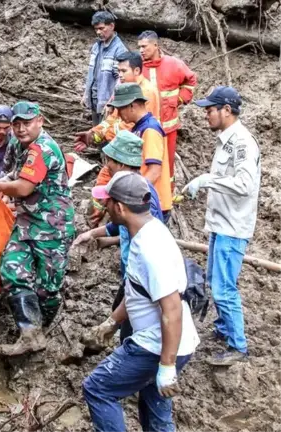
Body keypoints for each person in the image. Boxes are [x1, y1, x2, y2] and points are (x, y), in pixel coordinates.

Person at [82, 171, 200, 431]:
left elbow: (172, 310)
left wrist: (167, 366)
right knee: (154, 410)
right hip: (170, 343)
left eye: (108, 202)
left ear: (120, 207)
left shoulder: (150, 249)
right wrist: (110, 323)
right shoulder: (147, 232)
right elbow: (138, 291)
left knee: (97, 388)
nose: (105, 207)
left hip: (156, 345)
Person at [0, 101, 75, 356]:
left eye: (26, 123)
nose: (21, 129)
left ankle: (43, 330)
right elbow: (14, 174)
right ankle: (30, 333)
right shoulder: (17, 143)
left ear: (40, 121)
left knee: (48, 287)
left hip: (52, 225)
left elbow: (24, 188)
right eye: (17, 124)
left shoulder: (43, 148)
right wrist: (0, 182)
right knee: (12, 269)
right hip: (26, 221)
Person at [183, 86, 260, 366]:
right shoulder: (226, 140)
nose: (207, 114)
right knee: (216, 281)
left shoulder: (242, 143)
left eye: (210, 109)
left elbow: (244, 184)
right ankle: (224, 328)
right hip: (221, 223)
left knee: (224, 288)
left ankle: (237, 345)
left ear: (227, 111)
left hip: (233, 227)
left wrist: (206, 180)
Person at [73, 131, 164, 341]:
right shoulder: (127, 189)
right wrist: (92, 234)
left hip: (140, 274)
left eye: (110, 161)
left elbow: (149, 234)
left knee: (131, 327)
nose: (107, 166)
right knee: (121, 311)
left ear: (122, 164)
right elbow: (119, 226)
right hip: (130, 272)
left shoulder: (142, 194)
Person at [75, 50, 161, 227]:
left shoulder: (145, 95)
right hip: (122, 161)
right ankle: (96, 226)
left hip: (134, 174)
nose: (120, 75)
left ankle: (98, 225)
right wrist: (94, 134)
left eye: (124, 71)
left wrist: (133, 194)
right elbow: (112, 120)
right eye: (118, 71)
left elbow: (123, 129)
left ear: (137, 71)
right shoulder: (123, 91)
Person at [139, 30, 197, 191]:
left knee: (167, 162)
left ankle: (168, 194)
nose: (141, 51)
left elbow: (190, 80)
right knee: (147, 161)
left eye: (144, 46)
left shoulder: (174, 64)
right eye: (139, 47)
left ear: (156, 45)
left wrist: (180, 99)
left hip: (168, 127)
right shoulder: (138, 67)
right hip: (145, 129)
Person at [108, 83, 173, 222]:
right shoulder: (139, 127)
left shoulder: (150, 129)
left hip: (152, 202)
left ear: (132, 105)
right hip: (144, 198)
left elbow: (154, 171)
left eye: (120, 109)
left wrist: (132, 195)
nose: (118, 115)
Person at [82, 11, 127, 125]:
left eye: (102, 28)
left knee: (106, 137)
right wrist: (86, 94)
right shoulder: (96, 46)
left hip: (107, 103)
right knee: (95, 134)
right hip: (95, 99)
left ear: (112, 26)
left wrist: (111, 103)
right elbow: (91, 72)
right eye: (96, 29)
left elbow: (121, 80)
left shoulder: (119, 50)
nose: (98, 32)